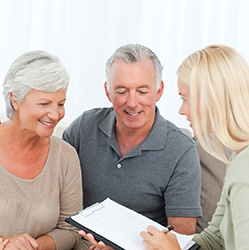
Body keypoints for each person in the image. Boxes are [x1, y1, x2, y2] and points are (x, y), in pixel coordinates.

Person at [63, 43, 202, 236]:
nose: (132, 103)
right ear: (107, 91)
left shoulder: (181, 149)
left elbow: (181, 235)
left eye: (142, 91)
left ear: (159, 91)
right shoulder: (84, 127)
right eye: (121, 91)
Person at [140, 44, 249, 249]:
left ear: (212, 101)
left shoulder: (245, 170)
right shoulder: (238, 156)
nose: (181, 110)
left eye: (185, 99)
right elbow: (214, 239)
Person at [0, 51, 89, 250]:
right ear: (15, 100)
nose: (55, 114)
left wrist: (30, 247)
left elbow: (71, 229)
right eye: (44, 104)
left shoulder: (65, 156)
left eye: (61, 104)